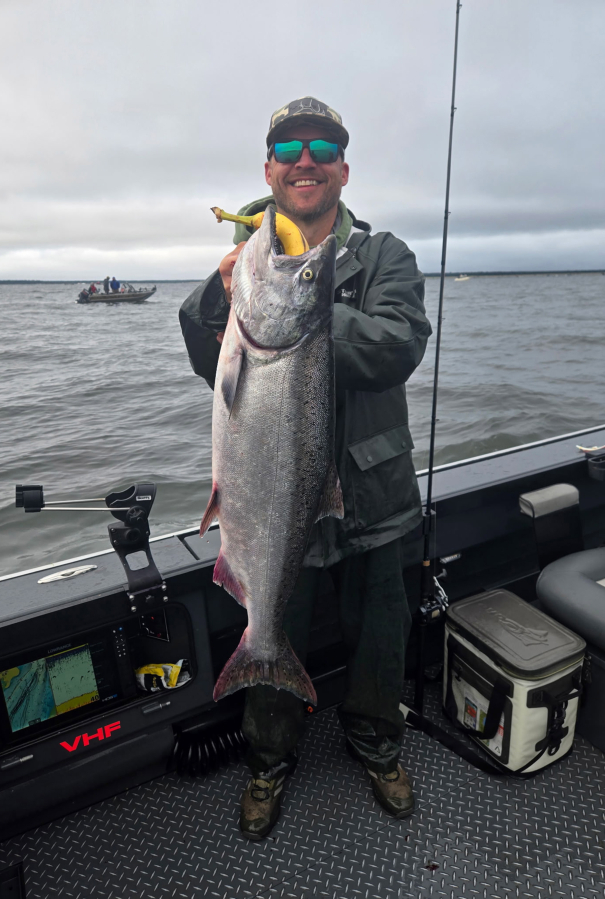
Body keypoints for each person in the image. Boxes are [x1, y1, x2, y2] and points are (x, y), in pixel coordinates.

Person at [179, 96, 431, 841]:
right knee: (272, 618)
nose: (305, 159)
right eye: (289, 148)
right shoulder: (248, 262)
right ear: (269, 168)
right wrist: (216, 294)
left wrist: (306, 299)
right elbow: (207, 359)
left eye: (323, 146)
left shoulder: (384, 256)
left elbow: (396, 345)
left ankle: (378, 743)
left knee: (382, 635)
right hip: (272, 499)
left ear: (344, 170)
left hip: (375, 495)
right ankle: (268, 759)